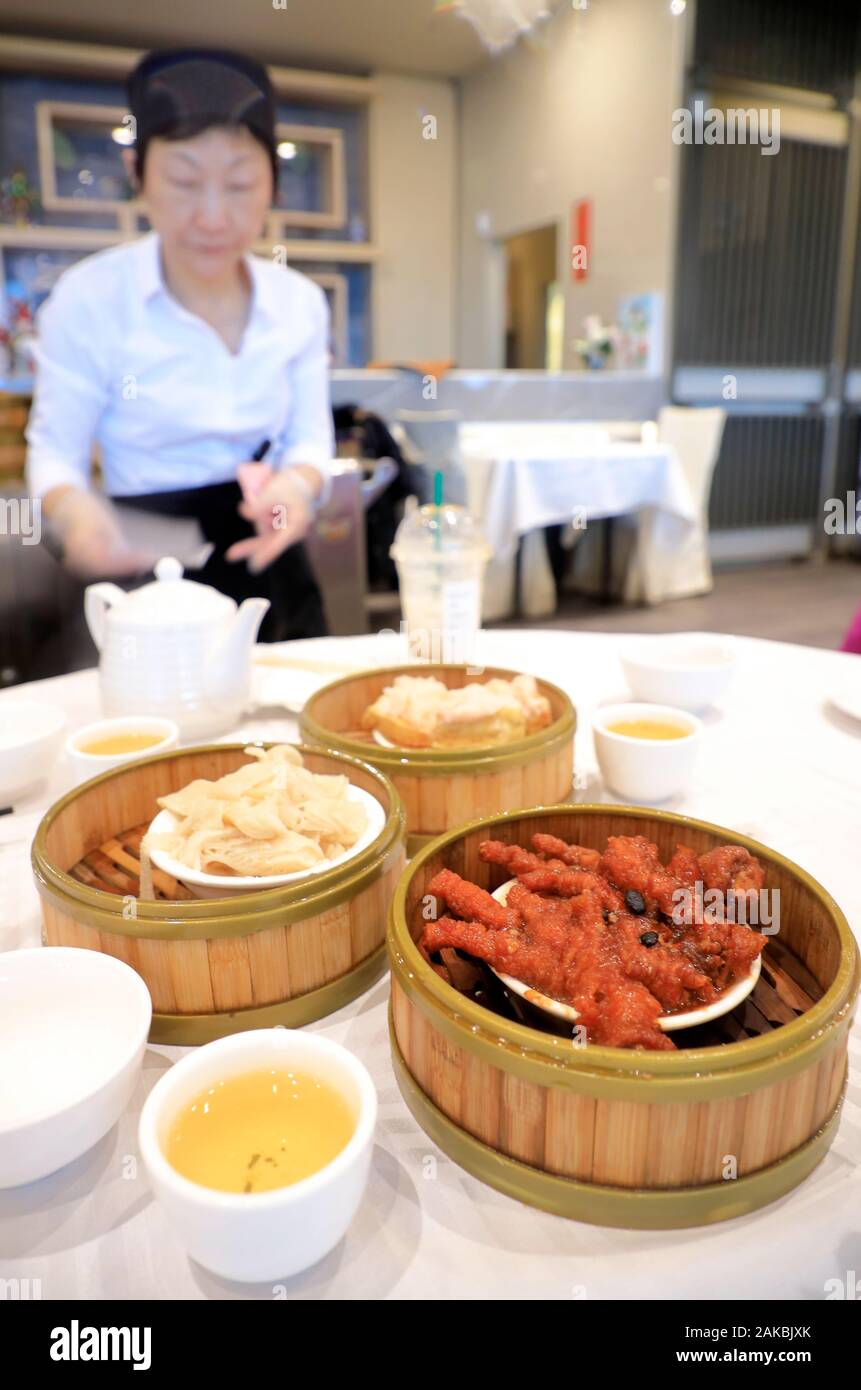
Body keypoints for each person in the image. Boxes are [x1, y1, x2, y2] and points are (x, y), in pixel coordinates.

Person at [25, 47, 334, 640]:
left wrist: (296, 487)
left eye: (241, 183)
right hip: (142, 563)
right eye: (185, 181)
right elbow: (55, 455)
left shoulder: (298, 303)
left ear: (272, 180)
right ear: (138, 173)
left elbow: (310, 439)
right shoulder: (89, 298)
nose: (214, 217)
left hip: (266, 559)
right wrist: (78, 519)